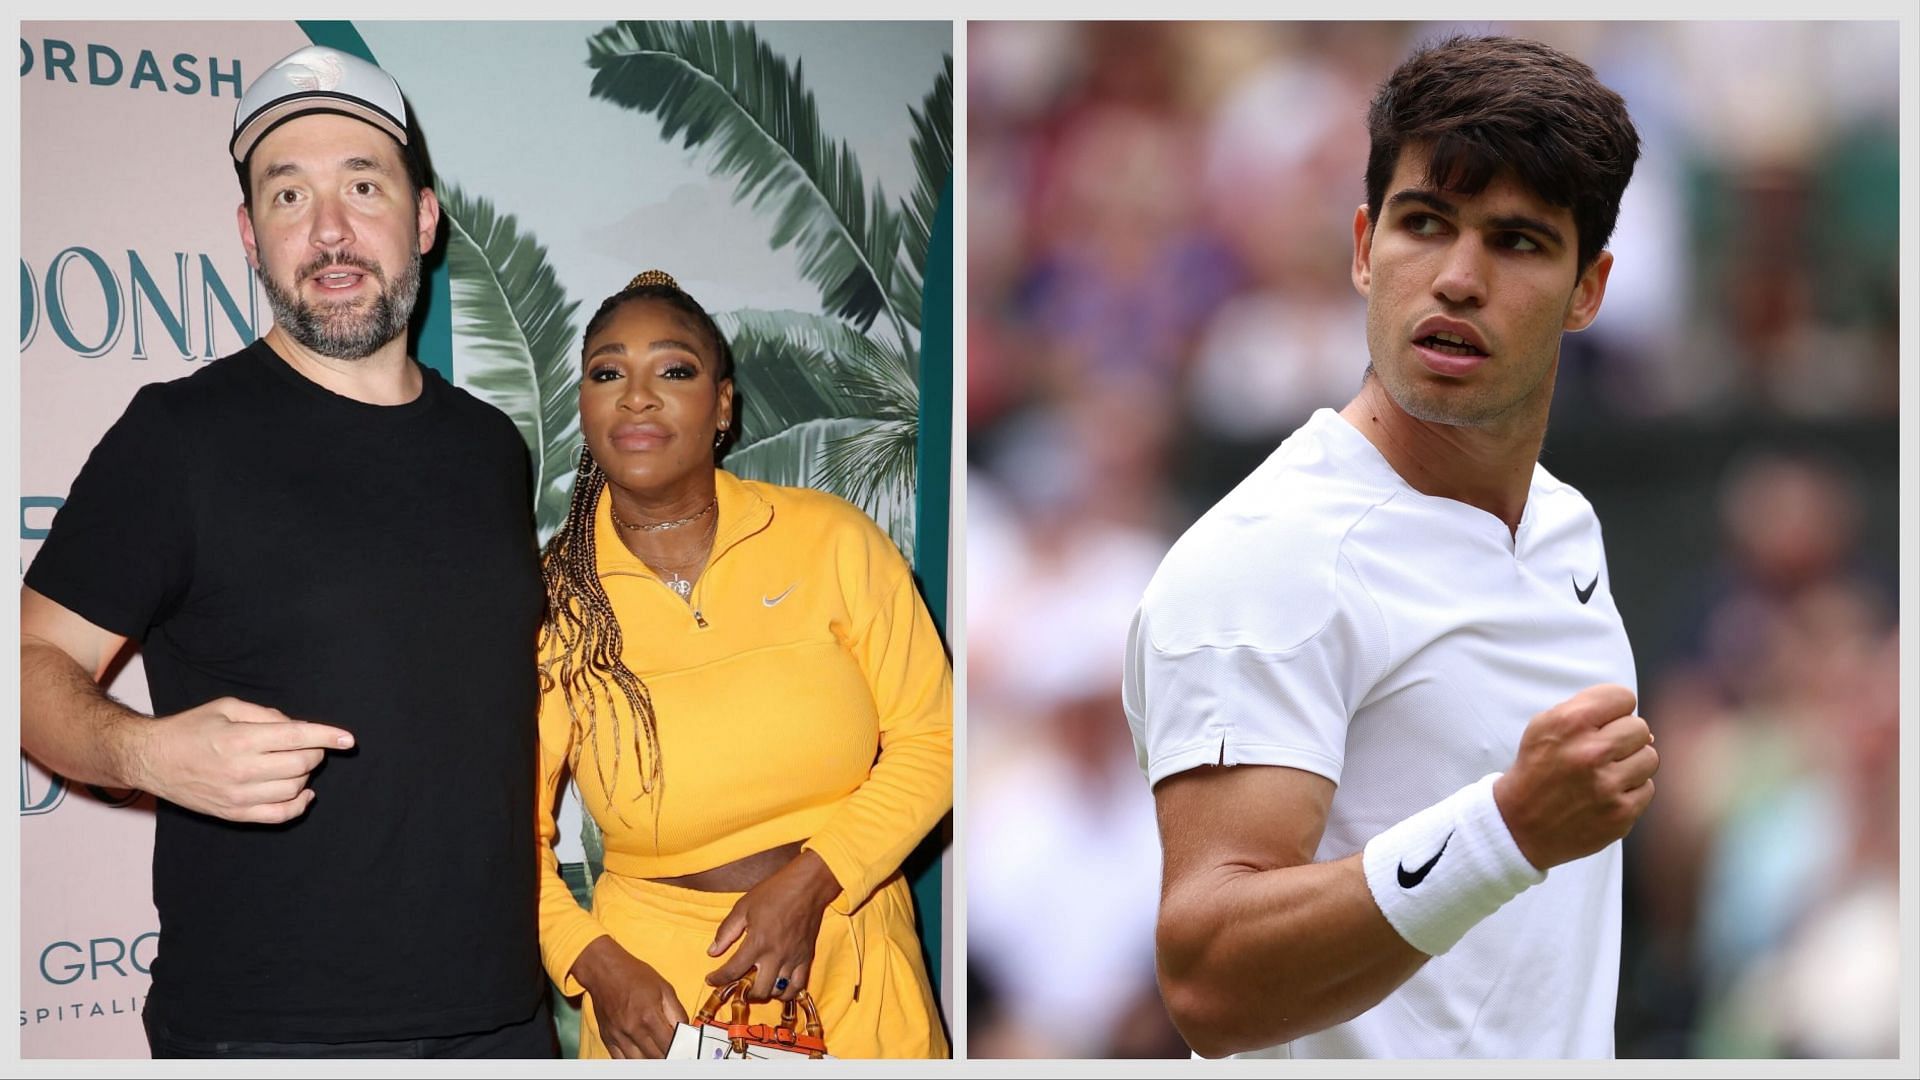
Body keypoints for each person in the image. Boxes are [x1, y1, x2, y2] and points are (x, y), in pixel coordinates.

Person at [1123, 35, 1658, 1059]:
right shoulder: (1266, 560)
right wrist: (1508, 832)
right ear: (1366, 248)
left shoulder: (1563, 526)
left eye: (1517, 242)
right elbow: (1209, 978)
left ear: (1588, 289)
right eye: (1426, 224)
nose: (1458, 279)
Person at [18, 46, 552, 1058]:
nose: (331, 230)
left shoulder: (490, 445)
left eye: (362, 184)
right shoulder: (177, 439)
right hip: (268, 1033)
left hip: (501, 1021)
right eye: (288, 194)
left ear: (424, 219)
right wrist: (141, 752)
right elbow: (27, 667)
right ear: (249, 237)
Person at [534, 272, 952, 1059]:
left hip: (855, 962)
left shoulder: (831, 539)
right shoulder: (551, 604)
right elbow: (501, 834)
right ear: (585, 406)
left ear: (723, 404)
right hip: (656, 1007)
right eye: (608, 372)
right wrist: (593, 966)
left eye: (675, 370)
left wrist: (811, 882)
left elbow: (937, 739)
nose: (637, 397)